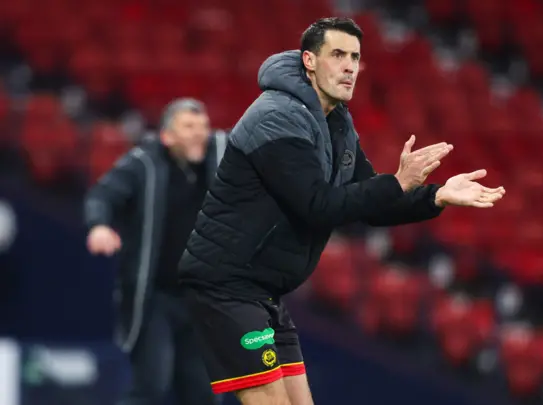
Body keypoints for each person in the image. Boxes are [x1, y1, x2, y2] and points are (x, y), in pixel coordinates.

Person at [179, 17, 506, 405]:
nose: (350, 66)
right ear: (309, 61)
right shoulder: (276, 117)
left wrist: (435, 196)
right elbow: (317, 206)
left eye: (355, 56)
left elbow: (371, 202)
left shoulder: (337, 125)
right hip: (226, 284)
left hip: (263, 290)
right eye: (338, 54)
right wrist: (399, 182)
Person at [84, 99, 223, 405]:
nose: (199, 133)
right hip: (154, 298)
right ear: (167, 136)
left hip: (201, 299)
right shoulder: (143, 163)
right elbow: (103, 195)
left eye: (203, 126)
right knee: (152, 386)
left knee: (204, 393)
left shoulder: (219, 158)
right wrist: (99, 226)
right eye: (188, 126)